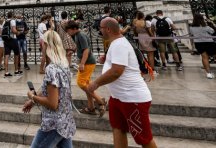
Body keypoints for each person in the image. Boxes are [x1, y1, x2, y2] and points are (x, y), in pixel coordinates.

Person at [88, 18, 157, 148]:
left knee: (144, 138)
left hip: (132, 98)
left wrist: (95, 83)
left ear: (108, 29)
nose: (99, 31)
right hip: (118, 97)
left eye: (100, 28)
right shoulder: (115, 43)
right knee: (118, 128)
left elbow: (116, 71)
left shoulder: (119, 44)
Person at [22, 30, 75, 148]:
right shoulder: (64, 64)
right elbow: (51, 89)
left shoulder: (51, 69)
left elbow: (52, 103)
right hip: (65, 119)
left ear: (46, 45)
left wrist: (32, 96)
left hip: (53, 124)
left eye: (42, 43)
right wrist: (33, 101)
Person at [73, 21, 106, 117]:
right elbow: (81, 48)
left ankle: (100, 101)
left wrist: (82, 63)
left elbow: (86, 50)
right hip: (87, 62)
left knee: (81, 83)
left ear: (74, 29)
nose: (67, 32)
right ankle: (91, 108)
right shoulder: (77, 35)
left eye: (68, 30)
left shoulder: (80, 35)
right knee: (86, 84)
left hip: (88, 62)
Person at [3, 11, 21, 77]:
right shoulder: (12, 21)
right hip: (13, 39)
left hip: (6, 40)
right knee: (16, 54)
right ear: (12, 15)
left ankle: (6, 72)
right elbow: (13, 30)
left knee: (6, 55)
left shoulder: (5, 22)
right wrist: (17, 32)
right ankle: (16, 70)